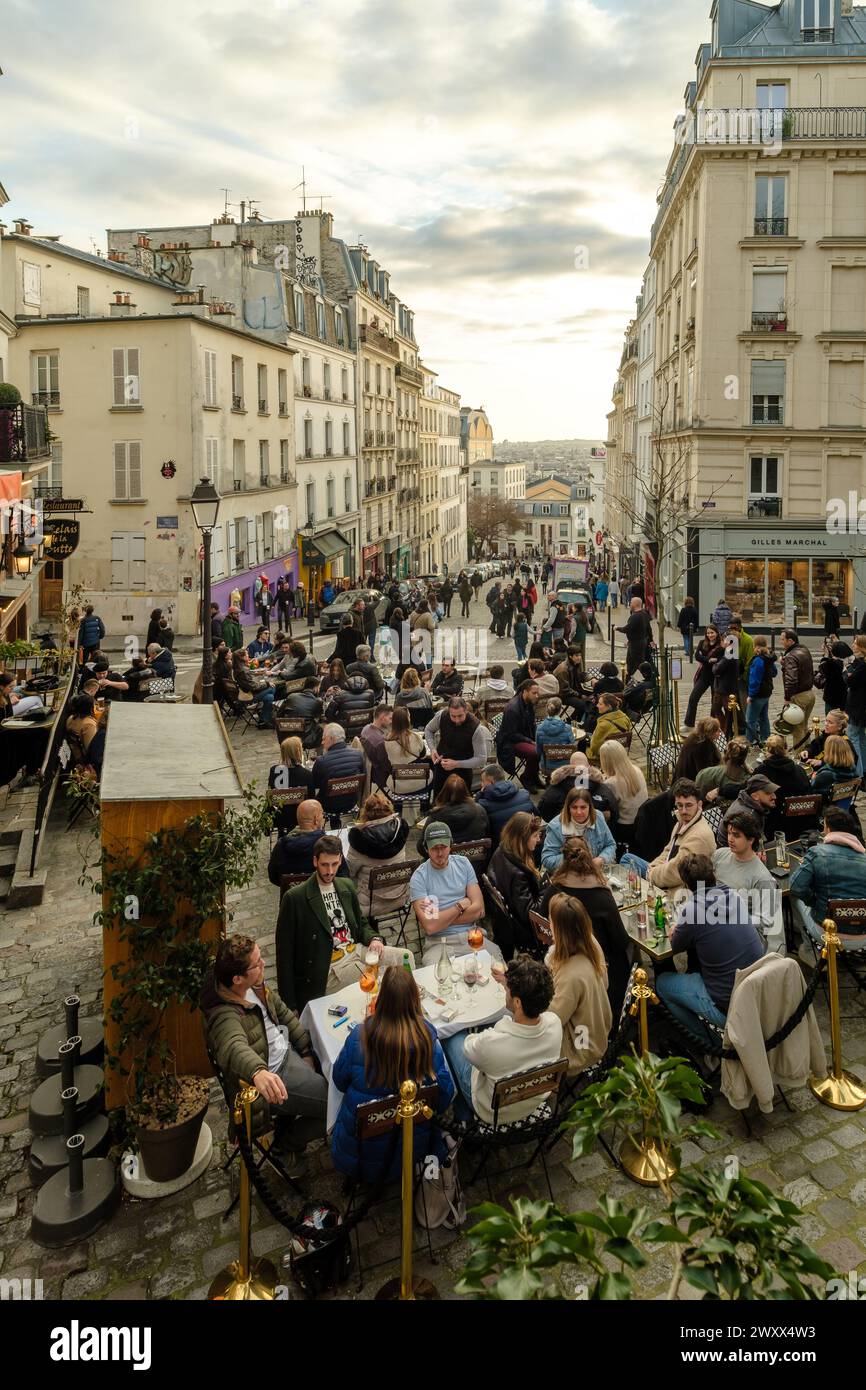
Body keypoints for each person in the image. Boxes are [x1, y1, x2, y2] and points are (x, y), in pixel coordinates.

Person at [202, 935, 327, 1167]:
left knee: (338, 1065)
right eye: (257, 963)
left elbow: (282, 1012)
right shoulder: (223, 1015)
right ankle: (285, 1144)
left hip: (288, 1051)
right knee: (339, 1103)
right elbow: (233, 1047)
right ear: (237, 978)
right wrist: (258, 1072)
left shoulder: (252, 985)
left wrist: (307, 1050)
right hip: (276, 1075)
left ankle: (287, 1125)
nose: (263, 965)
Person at [330, 966, 455, 1182]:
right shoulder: (426, 1039)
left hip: (360, 1155)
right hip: (413, 1149)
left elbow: (339, 1081)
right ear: (415, 1000)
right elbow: (442, 1098)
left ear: (382, 999)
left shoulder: (359, 1036)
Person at [655, 853, 764, 1043]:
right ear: (713, 874)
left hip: (727, 1007)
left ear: (686, 884)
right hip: (757, 996)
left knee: (662, 983)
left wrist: (675, 928)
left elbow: (676, 945)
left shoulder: (693, 910)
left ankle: (706, 1041)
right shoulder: (732, 894)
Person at [443, 956, 562, 1123]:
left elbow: (469, 1048)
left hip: (492, 1112)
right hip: (532, 1100)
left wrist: (480, 1034)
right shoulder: (555, 1023)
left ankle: (463, 1117)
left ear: (518, 1002)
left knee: (452, 1037)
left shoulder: (492, 1042)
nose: (506, 992)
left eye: (508, 991)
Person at [276, 835, 379, 1008]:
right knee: (382, 980)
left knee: (403, 958)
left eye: (334, 864)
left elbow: (361, 924)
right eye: (325, 865)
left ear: (340, 861)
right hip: (328, 968)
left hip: (356, 951)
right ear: (315, 861)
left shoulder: (346, 885)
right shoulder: (294, 898)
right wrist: (290, 1005)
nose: (330, 871)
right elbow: (284, 953)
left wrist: (375, 939)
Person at [538, 837, 632, 1017]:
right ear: (588, 857)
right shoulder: (602, 895)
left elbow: (543, 921)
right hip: (601, 964)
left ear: (563, 859)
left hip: (561, 957)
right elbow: (619, 940)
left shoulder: (554, 890)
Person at [409, 821, 500, 966]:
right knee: (437, 978)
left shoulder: (463, 864)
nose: (439, 853)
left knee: (497, 966)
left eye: (443, 847)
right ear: (426, 848)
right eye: (434, 848)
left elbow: (480, 910)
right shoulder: (419, 877)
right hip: (438, 943)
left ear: (450, 845)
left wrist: (441, 919)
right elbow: (431, 927)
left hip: (471, 935)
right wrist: (459, 906)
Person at [544, 894, 612, 1076]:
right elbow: (605, 984)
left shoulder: (571, 974)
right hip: (598, 1029)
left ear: (558, 929)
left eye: (550, 921)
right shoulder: (591, 943)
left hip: (581, 1048)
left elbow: (552, 1020)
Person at [790, 807, 866, 946]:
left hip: (827, 931)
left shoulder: (817, 852)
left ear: (829, 829)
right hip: (863, 936)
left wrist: (814, 901)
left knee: (794, 895)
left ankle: (807, 947)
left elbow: (796, 887)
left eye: (823, 826)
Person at [621, 778, 717, 889]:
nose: (683, 811)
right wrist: (653, 867)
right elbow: (667, 851)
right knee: (627, 858)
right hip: (665, 871)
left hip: (679, 887)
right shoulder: (682, 822)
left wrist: (651, 874)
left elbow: (677, 872)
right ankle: (644, 889)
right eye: (680, 805)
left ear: (699, 804)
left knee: (628, 864)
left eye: (688, 805)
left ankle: (645, 891)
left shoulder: (699, 836)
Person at [713, 811, 780, 947]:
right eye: (729, 833)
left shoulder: (762, 877)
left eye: (736, 835)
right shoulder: (719, 855)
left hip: (743, 938)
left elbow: (765, 921)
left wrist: (730, 917)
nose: (730, 839)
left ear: (751, 839)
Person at [487, 811, 545, 958]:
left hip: (503, 927)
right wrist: (548, 889)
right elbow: (531, 913)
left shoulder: (501, 851)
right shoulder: (518, 873)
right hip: (524, 934)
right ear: (522, 838)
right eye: (535, 836)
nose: (538, 840)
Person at [346, 792, 411, 920]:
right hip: (399, 895)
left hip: (368, 901)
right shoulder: (400, 828)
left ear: (366, 812)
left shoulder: (359, 838)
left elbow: (350, 872)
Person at [267, 799, 345, 884]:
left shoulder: (281, 845)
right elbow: (344, 874)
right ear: (316, 819)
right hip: (323, 894)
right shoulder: (329, 844)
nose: (324, 817)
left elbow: (273, 877)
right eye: (323, 814)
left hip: (293, 895)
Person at [542, 785, 617, 873]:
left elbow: (611, 845)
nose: (579, 812)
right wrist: (572, 859)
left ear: (589, 806)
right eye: (574, 807)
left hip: (594, 873)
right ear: (568, 808)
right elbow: (547, 859)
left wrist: (601, 859)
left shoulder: (598, 817)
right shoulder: (555, 826)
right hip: (568, 876)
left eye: (583, 807)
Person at [425, 696, 489, 796]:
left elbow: (481, 759)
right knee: (438, 803)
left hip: (463, 771)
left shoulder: (476, 728)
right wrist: (432, 749)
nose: (456, 720)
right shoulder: (442, 715)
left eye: (460, 716)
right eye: (453, 716)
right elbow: (428, 730)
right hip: (441, 767)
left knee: (461, 806)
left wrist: (456, 764)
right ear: (449, 711)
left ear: (466, 711)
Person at [537, 749, 619, 826]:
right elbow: (614, 811)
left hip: (563, 832)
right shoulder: (602, 788)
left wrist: (559, 823)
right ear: (588, 766)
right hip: (594, 833)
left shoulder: (555, 787)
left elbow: (542, 809)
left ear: (570, 766)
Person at [760, 734, 818, 839]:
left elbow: (747, 789)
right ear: (785, 749)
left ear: (768, 751)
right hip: (802, 822)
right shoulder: (799, 770)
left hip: (776, 825)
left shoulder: (763, 772)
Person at [598, 739, 647, 847]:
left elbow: (607, 810)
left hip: (625, 828)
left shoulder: (611, 783)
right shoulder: (637, 770)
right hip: (642, 822)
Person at [476, 764, 536, 849]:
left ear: (491, 782)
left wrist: (480, 794)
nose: (481, 785)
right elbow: (537, 818)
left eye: (483, 781)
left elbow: (482, 830)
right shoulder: (524, 794)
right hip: (525, 843)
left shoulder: (484, 804)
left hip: (501, 848)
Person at [496, 681, 541, 790]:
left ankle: (534, 776)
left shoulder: (528, 702)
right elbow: (511, 734)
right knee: (535, 752)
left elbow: (531, 724)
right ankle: (526, 777)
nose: (537, 696)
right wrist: (530, 741)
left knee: (542, 746)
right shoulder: (513, 708)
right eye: (534, 693)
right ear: (525, 691)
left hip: (522, 737)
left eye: (537, 693)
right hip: (510, 742)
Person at [424, 772, 490, 846]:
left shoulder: (435, 817)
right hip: (477, 855)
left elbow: (422, 845)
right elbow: (488, 833)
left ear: (444, 792)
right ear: (465, 791)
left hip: (446, 856)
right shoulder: (480, 810)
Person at [716, 773, 779, 848]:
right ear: (755, 796)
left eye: (773, 792)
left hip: (744, 845)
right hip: (731, 851)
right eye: (768, 793)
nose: (774, 796)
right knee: (780, 845)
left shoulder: (747, 800)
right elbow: (747, 848)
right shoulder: (748, 815)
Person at [776, 629, 815, 751]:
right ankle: (808, 753)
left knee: (797, 730)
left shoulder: (791, 656)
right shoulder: (804, 650)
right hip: (810, 694)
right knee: (804, 727)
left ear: (790, 641)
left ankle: (799, 758)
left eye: (783, 639)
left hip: (799, 696)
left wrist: (787, 698)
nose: (780, 641)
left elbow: (791, 680)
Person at [268, 736, 314, 834]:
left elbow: (272, 794)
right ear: (298, 752)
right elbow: (311, 797)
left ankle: (282, 832)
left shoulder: (274, 771)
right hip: (299, 816)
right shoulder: (306, 774)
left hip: (279, 817)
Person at [683, 625, 723, 730]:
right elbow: (697, 656)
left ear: (717, 633)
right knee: (693, 698)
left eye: (712, 633)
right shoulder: (702, 643)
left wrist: (704, 658)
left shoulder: (721, 645)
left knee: (714, 703)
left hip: (716, 677)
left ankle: (712, 726)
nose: (710, 635)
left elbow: (720, 659)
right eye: (708, 633)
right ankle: (689, 724)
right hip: (703, 676)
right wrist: (709, 660)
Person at [382, 706, 428, 794]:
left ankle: (398, 807)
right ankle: (425, 806)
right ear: (408, 720)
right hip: (419, 781)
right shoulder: (416, 737)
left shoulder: (387, 741)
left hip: (398, 784)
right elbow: (423, 756)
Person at [695, 735, 749, 803]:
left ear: (726, 753)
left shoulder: (705, 774)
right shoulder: (751, 781)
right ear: (744, 757)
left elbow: (696, 801)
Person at [810, 734, 858, 807]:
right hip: (843, 807)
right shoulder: (852, 768)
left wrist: (813, 778)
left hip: (826, 809)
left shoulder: (827, 774)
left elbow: (812, 791)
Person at [745, 635, 776, 746]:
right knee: (763, 717)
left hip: (758, 694)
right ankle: (765, 739)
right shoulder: (769, 657)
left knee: (750, 720)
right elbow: (774, 673)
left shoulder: (758, 660)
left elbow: (755, 679)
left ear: (756, 646)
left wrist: (751, 695)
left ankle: (750, 741)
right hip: (766, 693)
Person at [233, 648, 276, 726]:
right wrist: (266, 683)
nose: (248, 655)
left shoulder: (238, 667)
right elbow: (253, 687)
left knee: (269, 697)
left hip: (246, 692)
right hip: (248, 695)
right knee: (272, 688)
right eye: (246, 654)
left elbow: (250, 683)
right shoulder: (243, 670)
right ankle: (265, 715)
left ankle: (263, 720)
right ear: (242, 657)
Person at [587, 693, 632, 763]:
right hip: (620, 753)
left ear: (609, 706)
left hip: (605, 757)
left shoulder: (603, 725)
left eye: (600, 704)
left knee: (582, 745)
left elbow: (594, 748)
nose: (597, 705)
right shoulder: (625, 718)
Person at [535, 697, 575, 774]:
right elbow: (571, 749)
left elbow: (538, 751)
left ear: (547, 709)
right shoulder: (567, 728)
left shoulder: (539, 728)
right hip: (564, 767)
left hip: (547, 767)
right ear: (560, 710)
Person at [845, 633, 866, 780]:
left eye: (855, 643)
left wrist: (845, 671)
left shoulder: (863, 666)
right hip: (860, 706)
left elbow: (850, 681)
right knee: (861, 738)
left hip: (858, 707)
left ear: (862, 647)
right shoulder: (861, 662)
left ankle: (858, 775)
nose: (852, 645)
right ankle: (863, 770)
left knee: (853, 738)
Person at [674, 717, 722, 782]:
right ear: (710, 732)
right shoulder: (702, 745)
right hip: (689, 783)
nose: (719, 731)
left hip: (681, 779)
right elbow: (704, 773)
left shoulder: (694, 737)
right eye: (716, 730)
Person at [359, 704, 393, 790]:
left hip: (372, 771)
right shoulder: (380, 742)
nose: (391, 721)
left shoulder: (365, 729)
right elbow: (388, 766)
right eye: (390, 718)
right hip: (382, 776)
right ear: (382, 717)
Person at [617, 598, 652, 677]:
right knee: (630, 662)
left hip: (637, 644)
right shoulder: (644, 614)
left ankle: (651, 678)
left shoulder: (635, 616)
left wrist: (617, 628)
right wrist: (651, 640)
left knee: (638, 663)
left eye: (631, 603)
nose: (630, 604)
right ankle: (627, 678)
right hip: (638, 641)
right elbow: (648, 629)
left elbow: (627, 629)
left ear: (635, 604)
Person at [815, 640, 851, 717]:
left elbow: (822, 667)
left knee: (831, 719)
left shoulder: (831, 664)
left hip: (831, 700)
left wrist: (825, 655)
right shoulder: (846, 663)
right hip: (844, 700)